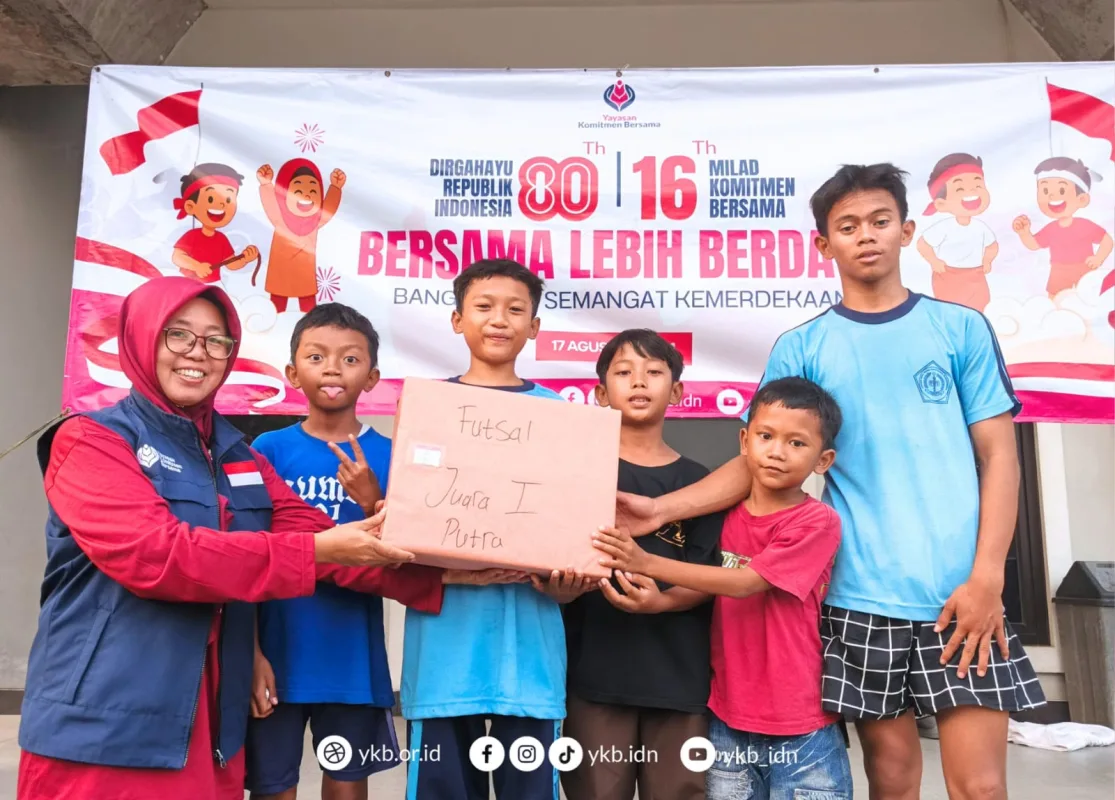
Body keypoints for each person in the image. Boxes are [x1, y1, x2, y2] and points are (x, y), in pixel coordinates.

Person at [615, 164, 1046, 800]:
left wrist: (987, 576)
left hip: (961, 596)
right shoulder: (803, 345)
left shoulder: (960, 330)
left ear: (906, 230)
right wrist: (659, 509)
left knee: (979, 786)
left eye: (879, 222)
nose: (865, 236)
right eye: (847, 226)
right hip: (857, 600)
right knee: (892, 780)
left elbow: (1000, 459)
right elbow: (754, 461)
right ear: (824, 245)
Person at [16, 277, 445, 800]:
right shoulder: (91, 440)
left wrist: (457, 570)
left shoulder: (238, 454)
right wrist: (317, 550)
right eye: (178, 335)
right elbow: (158, 556)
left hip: (214, 722)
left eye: (216, 340)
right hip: (109, 723)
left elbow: (335, 545)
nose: (198, 353)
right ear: (141, 339)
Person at [246, 303, 522, 800]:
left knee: (349, 785)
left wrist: (373, 498)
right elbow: (249, 556)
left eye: (350, 360)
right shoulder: (265, 450)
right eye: (317, 356)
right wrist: (251, 651)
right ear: (291, 373)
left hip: (353, 656)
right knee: (272, 786)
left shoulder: (397, 456)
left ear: (373, 377)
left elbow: (412, 551)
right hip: (278, 650)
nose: (332, 368)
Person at [596, 376, 851, 800]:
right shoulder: (724, 516)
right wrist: (661, 602)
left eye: (796, 443)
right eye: (766, 436)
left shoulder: (817, 522)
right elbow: (709, 585)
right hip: (727, 718)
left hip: (801, 724)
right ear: (744, 440)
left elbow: (747, 582)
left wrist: (647, 563)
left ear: (823, 460)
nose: (776, 451)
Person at [395, 258, 590, 800]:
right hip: (441, 655)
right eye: (483, 307)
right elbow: (401, 534)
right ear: (457, 320)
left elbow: (576, 529)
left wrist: (570, 583)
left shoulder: (563, 417)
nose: (498, 319)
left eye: (515, 309)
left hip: (529, 656)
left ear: (535, 327)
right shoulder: (427, 410)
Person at [561, 329, 724, 800]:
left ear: (675, 392)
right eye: (624, 372)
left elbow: (712, 576)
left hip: (679, 680)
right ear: (598, 392)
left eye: (654, 372)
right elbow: (551, 560)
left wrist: (663, 601)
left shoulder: (700, 484)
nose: (639, 381)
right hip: (593, 677)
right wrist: (562, 586)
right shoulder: (575, 471)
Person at [1012, 156, 1114, 297]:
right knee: (1056, 303)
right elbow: (1034, 244)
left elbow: (1107, 240)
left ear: (1082, 199)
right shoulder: (1051, 229)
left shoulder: (1085, 225)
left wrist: (1098, 258)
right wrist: (1024, 233)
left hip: (1084, 271)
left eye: (1061, 190)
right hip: (1058, 273)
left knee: (1086, 304)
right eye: (1045, 191)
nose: (1052, 196)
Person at [257, 159, 345, 313]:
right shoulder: (279, 218)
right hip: (280, 274)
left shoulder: (315, 221)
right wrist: (266, 184)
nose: (306, 196)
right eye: (297, 192)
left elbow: (329, 208)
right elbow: (270, 202)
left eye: (313, 192)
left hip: (304, 276)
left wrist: (336, 188)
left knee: (309, 310)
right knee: (275, 309)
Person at [916, 153, 997, 312]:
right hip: (948, 274)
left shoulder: (980, 227)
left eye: (978, 185)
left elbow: (992, 245)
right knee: (950, 309)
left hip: (976, 274)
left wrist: (987, 260)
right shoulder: (943, 227)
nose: (972, 191)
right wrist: (934, 261)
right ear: (941, 203)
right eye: (960, 188)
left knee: (980, 306)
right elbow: (922, 244)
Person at [170, 162, 259, 283]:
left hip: (213, 285)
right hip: (187, 283)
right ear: (191, 206)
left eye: (228, 199)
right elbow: (177, 257)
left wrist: (244, 258)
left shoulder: (221, 239)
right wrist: (196, 266)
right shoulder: (192, 236)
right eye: (211, 198)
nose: (222, 204)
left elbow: (230, 264)